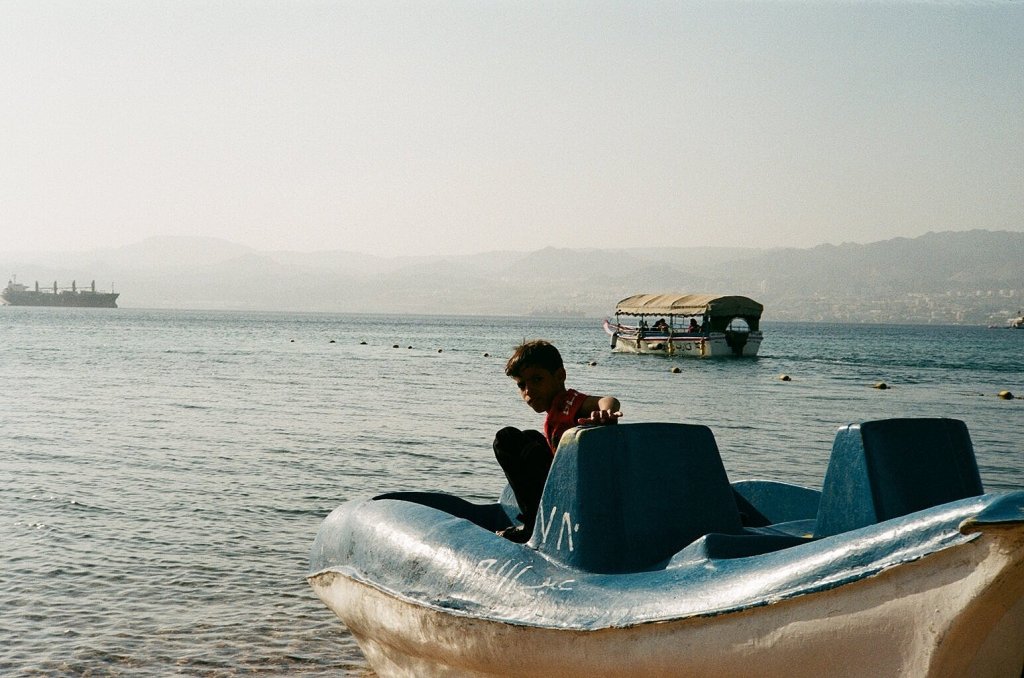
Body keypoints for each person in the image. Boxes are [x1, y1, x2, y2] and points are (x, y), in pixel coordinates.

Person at [493, 340, 622, 543]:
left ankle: (533, 524)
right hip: (566, 481)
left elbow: (606, 400)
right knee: (530, 437)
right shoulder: (555, 410)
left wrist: (606, 412)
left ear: (560, 376)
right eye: (522, 385)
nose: (528, 391)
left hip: (574, 489)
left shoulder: (568, 402)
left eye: (537, 379)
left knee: (506, 439)